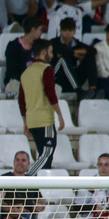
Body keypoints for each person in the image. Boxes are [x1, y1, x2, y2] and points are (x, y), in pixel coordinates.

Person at [19, 39, 66, 173]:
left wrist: (25, 122)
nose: (51, 55)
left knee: (44, 158)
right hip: (44, 120)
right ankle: (27, 179)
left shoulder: (26, 73)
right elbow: (50, 93)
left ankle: (38, 191)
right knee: (47, 154)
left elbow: (21, 101)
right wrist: (60, 115)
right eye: (50, 52)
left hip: (32, 121)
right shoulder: (46, 69)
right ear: (44, 52)